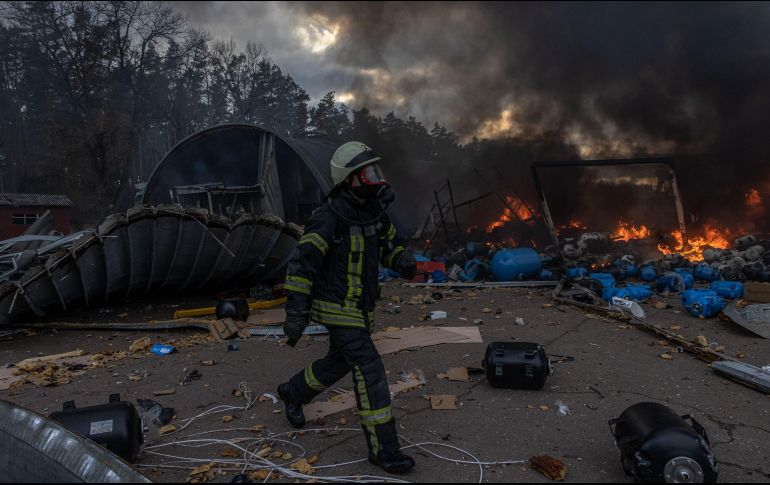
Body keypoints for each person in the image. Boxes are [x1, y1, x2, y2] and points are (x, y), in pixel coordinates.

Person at [277, 141, 417, 474]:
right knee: (368, 368)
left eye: (376, 171)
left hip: (360, 308)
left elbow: (390, 249)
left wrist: (405, 261)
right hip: (337, 306)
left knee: (339, 362)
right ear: (349, 179)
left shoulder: (375, 214)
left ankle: (292, 392)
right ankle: (384, 449)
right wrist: (296, 313)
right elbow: (302, 265)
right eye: (368, 173)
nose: (376, 179)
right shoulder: (329, 216)